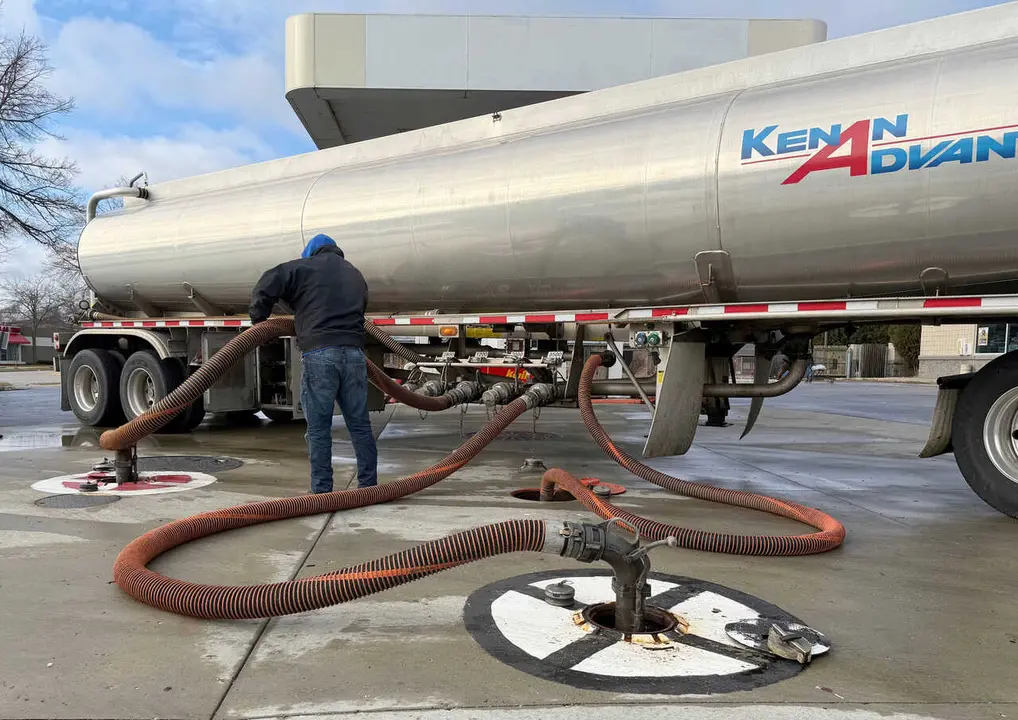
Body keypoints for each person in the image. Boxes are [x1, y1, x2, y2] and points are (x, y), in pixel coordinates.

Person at [249, 233, 378, 493]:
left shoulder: (303, 267)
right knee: (360, 426)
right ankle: (369, 486)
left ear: (312, 252)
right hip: (354, 354)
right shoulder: (355, 274)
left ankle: (321, 491)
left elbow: (268, 281)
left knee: (319, 428)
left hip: (320, 353)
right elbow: (361, 308)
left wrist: (259, 320)